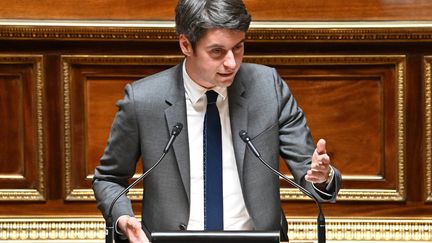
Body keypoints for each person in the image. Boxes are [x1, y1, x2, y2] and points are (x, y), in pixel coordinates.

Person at [92, 0, 342, 242]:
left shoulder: (269, 88)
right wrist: (124, 219)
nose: (231, 63)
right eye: (217, 51)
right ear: (186, 45)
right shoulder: (143, 100)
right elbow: (109, 179)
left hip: (256, 240)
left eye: (238, 47)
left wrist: (322, 176)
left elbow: (308, 168)